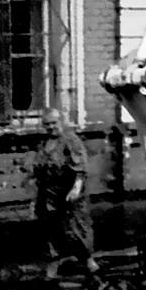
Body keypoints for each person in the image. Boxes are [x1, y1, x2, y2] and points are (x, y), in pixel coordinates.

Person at [33, 108, 97, 281]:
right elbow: (38, 170)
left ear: (61, 122)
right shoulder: (43, 143)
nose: (51, 127)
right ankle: (53, 265)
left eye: (54, 123)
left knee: (76, 226)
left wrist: (76, 188)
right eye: (47, 124)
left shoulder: (70, 140)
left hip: (69, 190)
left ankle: (88, 261)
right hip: (48, 193)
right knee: (50, 228)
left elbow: (81, 168)